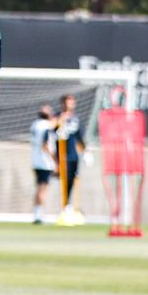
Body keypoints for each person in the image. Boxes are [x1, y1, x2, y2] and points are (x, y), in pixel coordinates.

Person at [55, 94, 86, 224]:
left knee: (73, 180)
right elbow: (51, 130)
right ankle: (64, 206)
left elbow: (80, 137)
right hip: (62, 155)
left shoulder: (76, 119)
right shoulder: (58, 117)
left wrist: (85, 152)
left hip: (74, 155)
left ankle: (70, 206)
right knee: (64, 180)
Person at [29, 105, 56, 223]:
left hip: (35, 160)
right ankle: (39, 215)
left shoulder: (35, 124)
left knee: (39, 188)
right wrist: (55, 160)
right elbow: (45, 144)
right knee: (42, 189)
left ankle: (37, 213)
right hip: (45, 162)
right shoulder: (46, 126)